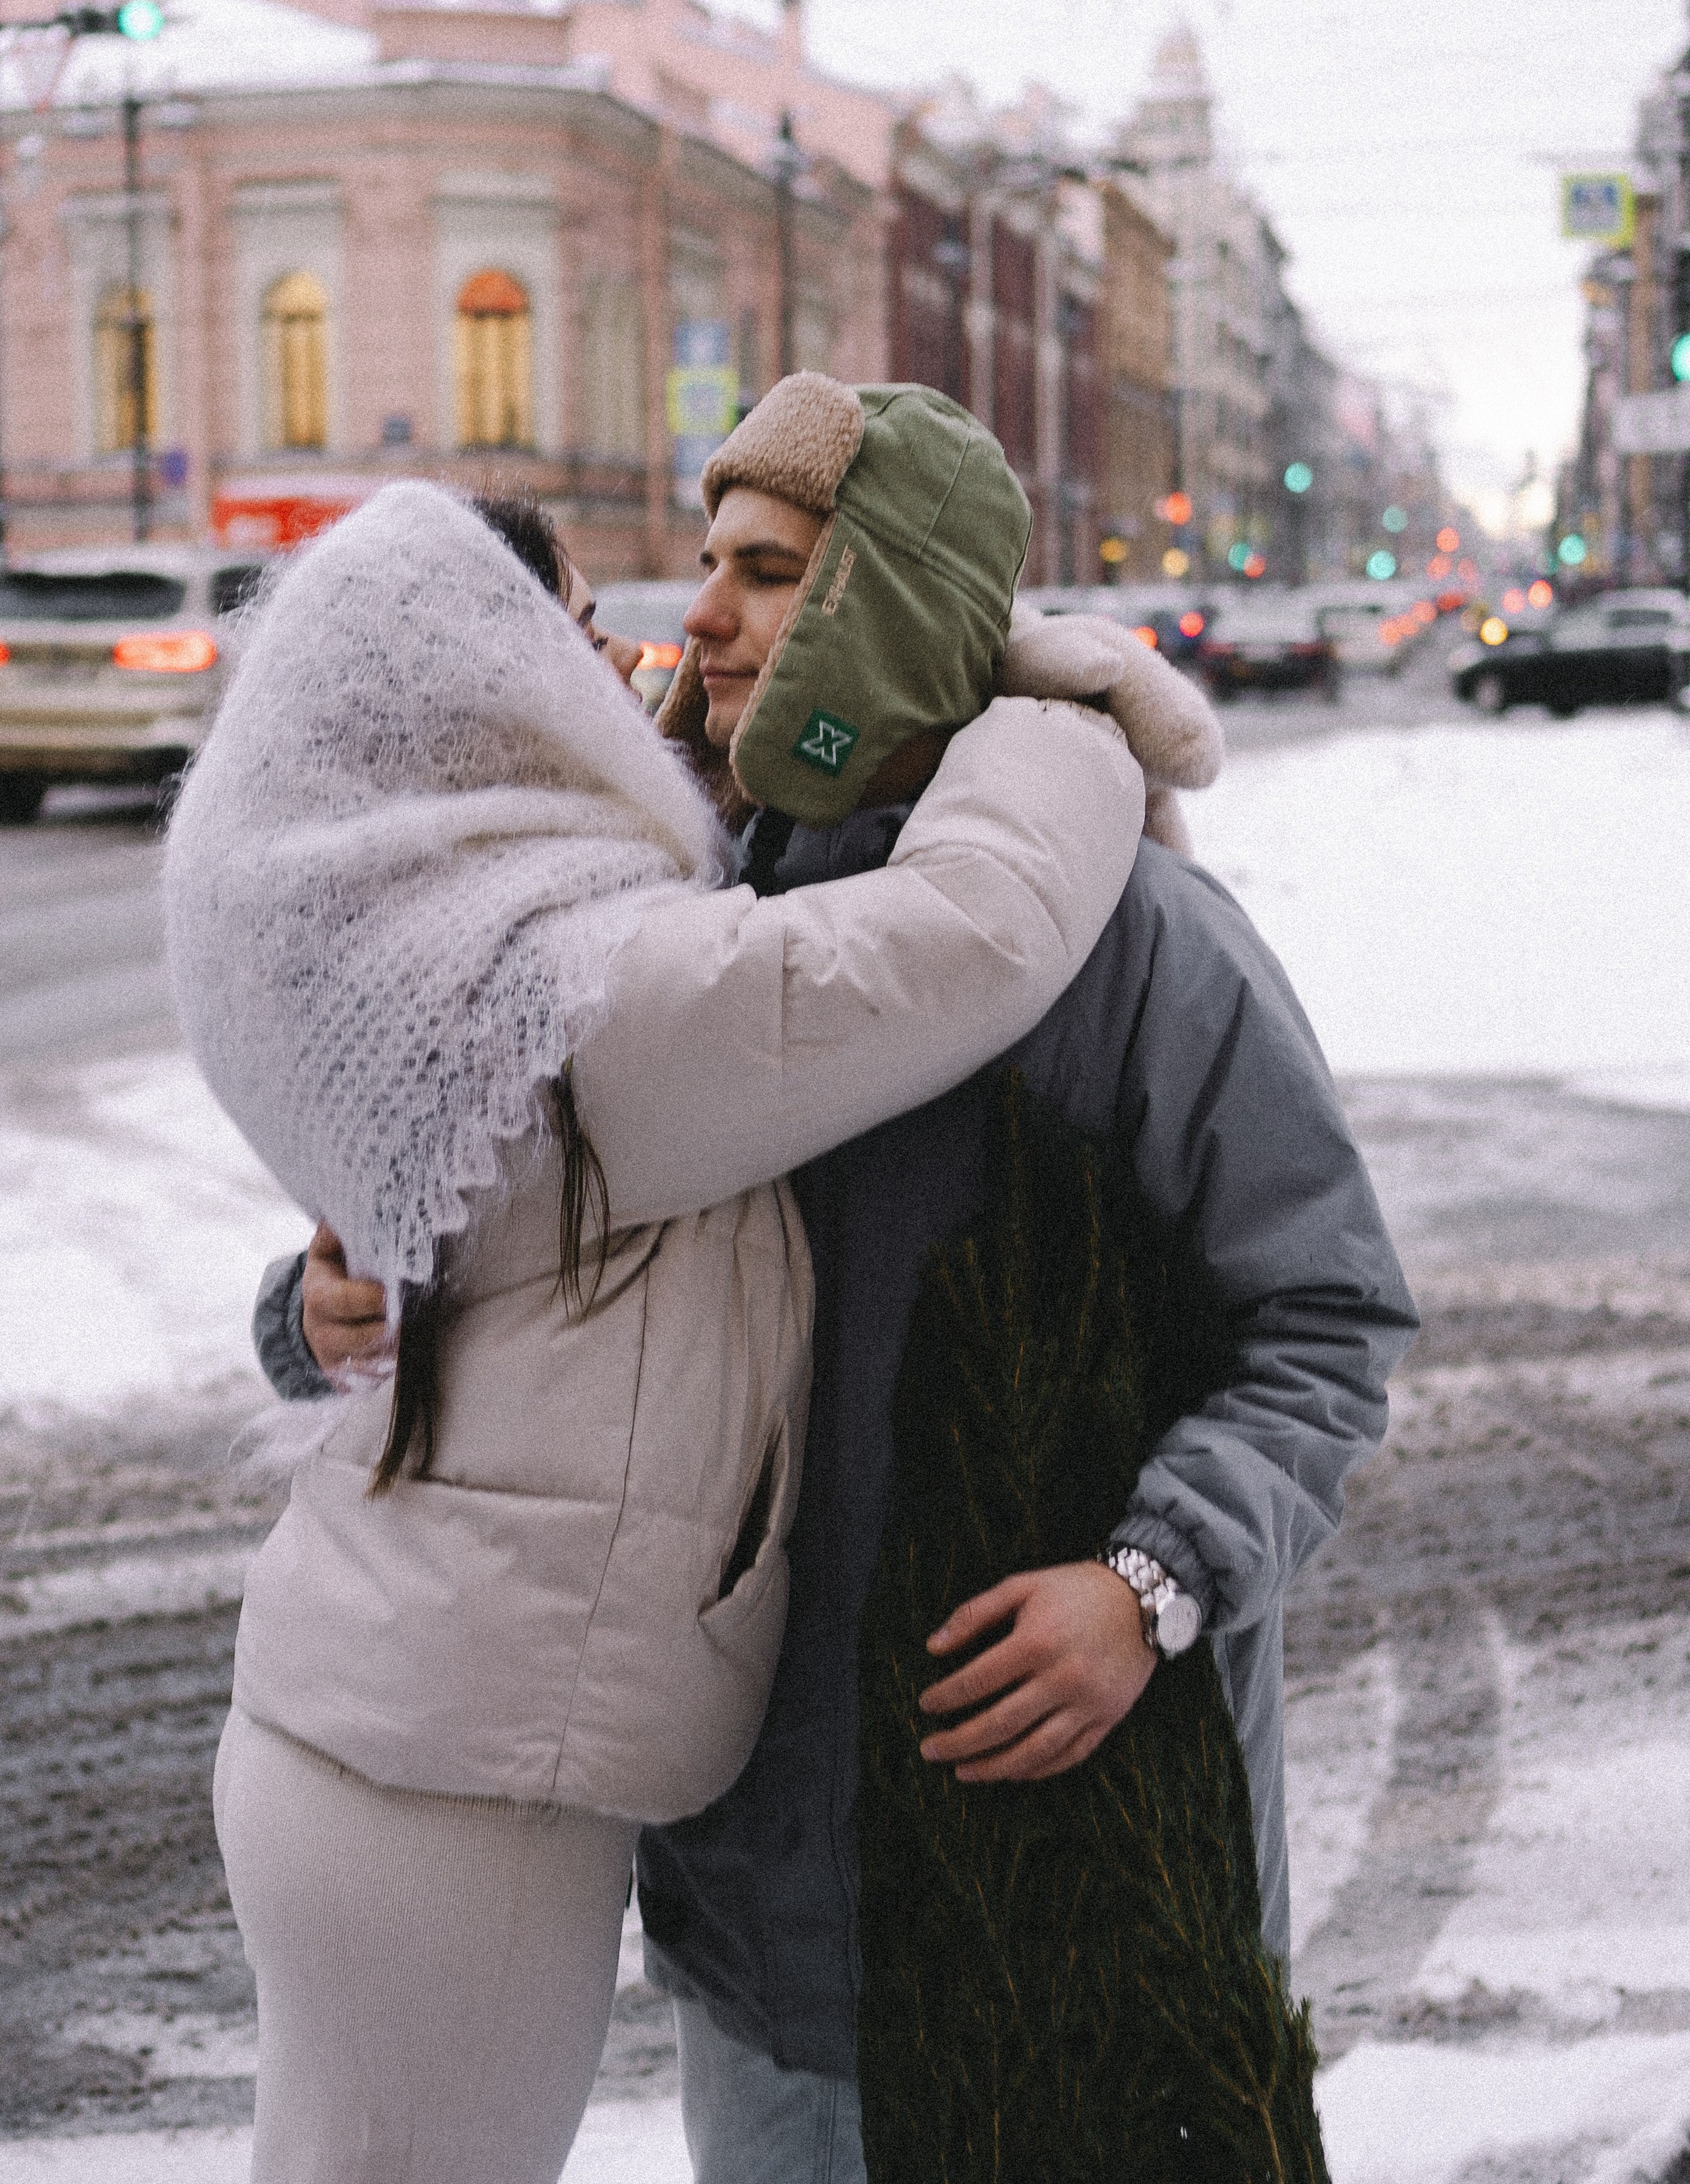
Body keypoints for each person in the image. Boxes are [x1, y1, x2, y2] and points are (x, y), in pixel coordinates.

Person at [263, 380, 1419, 2184]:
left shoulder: (1139, 948)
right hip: (762, 1926)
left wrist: (1147, 1586)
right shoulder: (677, 934)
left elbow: (1323, 1322)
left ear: (888, 604)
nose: (703, 617)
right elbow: (504, 1244)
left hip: (1075, 1902)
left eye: (767, 572)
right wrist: (325, 1299)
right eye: (707, 565)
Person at [168, 469, 1148, 2184]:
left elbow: (423, 1267)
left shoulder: (421, 944)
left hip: (367, 1728)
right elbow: (971, 934)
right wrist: (1054, 723)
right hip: (455, 1798)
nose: (634, 664)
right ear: (486, 682)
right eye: (577, 636)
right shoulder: (582, 1001)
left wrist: (305, 1307)